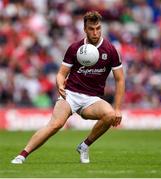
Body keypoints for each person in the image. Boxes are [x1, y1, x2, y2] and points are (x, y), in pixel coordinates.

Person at [11, 11, 125, 164]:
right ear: (85, 29)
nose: (95, 32)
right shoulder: (74, 48)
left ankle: (84, 146)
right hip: (70, 94)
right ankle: (22, 155)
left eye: (98, 28)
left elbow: (120, 79)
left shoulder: (110, 50)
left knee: (110, 115)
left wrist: (118, 108)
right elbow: (61, 74)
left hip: (92, 99)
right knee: (56, 124)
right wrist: (59, 83)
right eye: (91, 29)